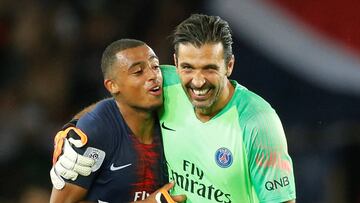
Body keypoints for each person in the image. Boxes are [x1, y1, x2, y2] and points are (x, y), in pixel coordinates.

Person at [52, 14, 296, 202]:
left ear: (229, 65)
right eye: (188, 68)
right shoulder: (166, 84)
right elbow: (122, 99)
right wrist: (73, 130)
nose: (198, 82)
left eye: (210, 68)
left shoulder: (257, 122)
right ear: (176, 64)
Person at [49, 39, 186, 203]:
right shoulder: (96, 130)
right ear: (112, 86)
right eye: (138, 71)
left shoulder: (174, 105)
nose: (153, 75)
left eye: (155, 66)